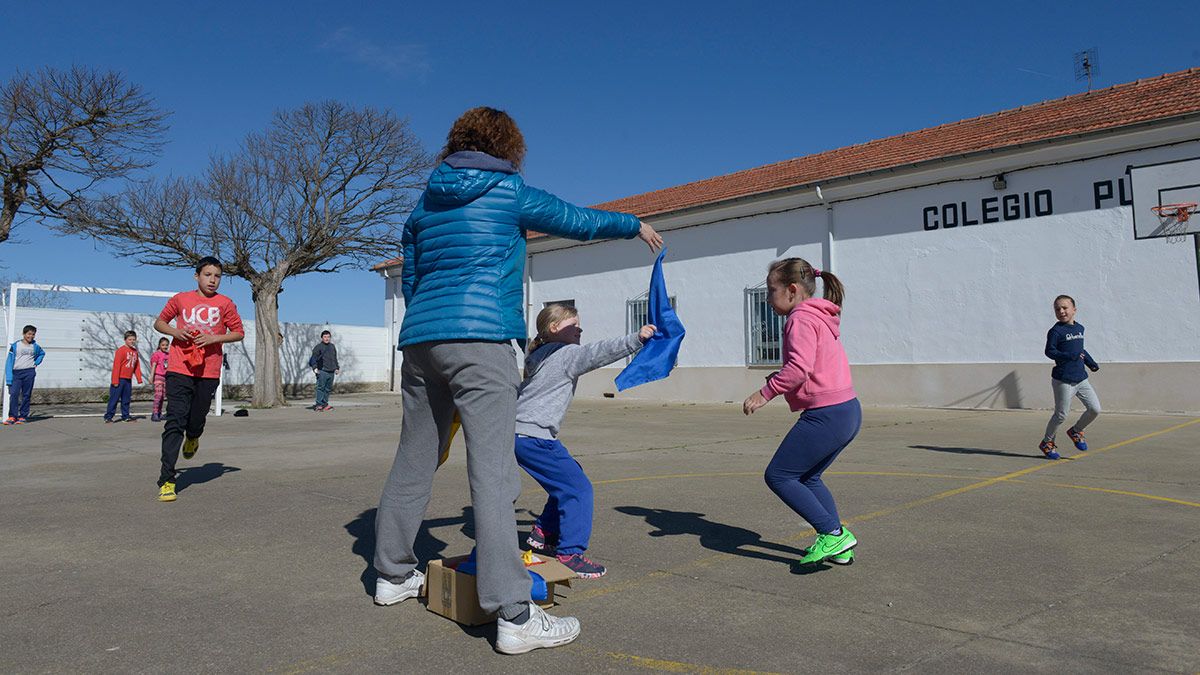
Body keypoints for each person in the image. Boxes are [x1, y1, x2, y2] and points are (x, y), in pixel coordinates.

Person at [372, 106, 662, 655]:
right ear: (508, 146)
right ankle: (513, 614)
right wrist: (633, 224)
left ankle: (391, 576)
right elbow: (577, 219)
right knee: (495, 473)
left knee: (413, 460)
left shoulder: (424, 203)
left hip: (422, 342)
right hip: (482, 342)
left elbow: (411, 275)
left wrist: (433, 322)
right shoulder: (508, 191)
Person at [517, 303, 655, 579]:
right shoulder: (566, 353)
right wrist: (636, 339)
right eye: (574, 326)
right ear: (554, 328)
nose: (580, 330)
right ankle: (570, 553)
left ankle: (544, 531)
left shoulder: (539, 354)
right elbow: (597, 353)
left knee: (568, 480)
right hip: (535, 436)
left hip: (520, 434)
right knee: (579, 490)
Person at [743, 258, 861, 568]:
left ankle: (832, 533)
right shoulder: (819, 315)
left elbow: (798, 368)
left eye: (772, 291)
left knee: (779, 475)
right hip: (847, 411)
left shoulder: (800, 319)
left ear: (792, 290)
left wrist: (765, 393)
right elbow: (810, 365)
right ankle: (839, 546)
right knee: (808, 478)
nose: (768, 298)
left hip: (827, 415)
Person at [152, 257, 244, 502]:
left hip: (208, 371)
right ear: (197, 276)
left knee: (195, 420)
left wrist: (214, 339)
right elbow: (159, 322)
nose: (212, 280)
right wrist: (175, 332)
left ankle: (193, 437)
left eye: (217, 276)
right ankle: (167, 479)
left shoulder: (225, 304)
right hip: (179, 367)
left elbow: (238, 333)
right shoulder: (181, 299)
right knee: (175, 421)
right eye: (208, 275)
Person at [1039, 294, 1101, 459]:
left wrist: (1091, 362)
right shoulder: (1056, 331)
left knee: (1095, 409)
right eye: (1057, 309)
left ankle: (1076, 431)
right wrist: (1068, 355)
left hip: (1081, 378)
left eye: (1065, 307)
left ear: (1074, 310)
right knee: (1061, 415)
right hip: (1063, 380)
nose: (1061, 311)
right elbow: (1049, 351)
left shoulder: (1079, 328)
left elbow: (1080, 351)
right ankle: (1047, 442)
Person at [5, 325, 45, 425]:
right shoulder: (15, 346)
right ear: (24, 334)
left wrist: (36, 363)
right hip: (16, 373)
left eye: (33, 334)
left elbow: (42, 353)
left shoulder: (35, 346)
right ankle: (12, 416)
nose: (31, 336)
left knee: (26, 395)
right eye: (29, 334)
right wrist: (9, 377)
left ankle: (22, 416)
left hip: (29, 372)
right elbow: (9, 362)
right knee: (14, 394)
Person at [104, 331, 142, 423]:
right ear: (125, 340)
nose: (132, 341)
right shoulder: (121, 351)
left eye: (133, 339)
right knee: (114, 399)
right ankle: (108, 416)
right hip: (119, 379)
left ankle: (125, 416)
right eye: (130, 339)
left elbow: (136, 365)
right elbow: (116, 366)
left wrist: (139, 378)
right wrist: (115, 380)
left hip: (128, 380)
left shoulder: (135, 352)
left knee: (126, 399)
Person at [309, 330, 339, 411]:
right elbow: (313, 358)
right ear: (322, 338)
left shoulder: (332, 346)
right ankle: (318, 404)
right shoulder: (318, 347)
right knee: (320, 388)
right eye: (325, 337)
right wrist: (315, 368)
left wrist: (337, 368)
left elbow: (334, 358)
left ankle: (325, 404)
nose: (327, 338)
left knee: (327, 389)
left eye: (328, 337)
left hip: (331, 371)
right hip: (322, 371)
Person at [150, 337, 170, 422]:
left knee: (162, 396)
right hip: (158, 376)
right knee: (158, 395)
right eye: (163, 345)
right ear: (159, 345)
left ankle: (159, 413)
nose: (165, 346)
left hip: (165, 377)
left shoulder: (169, 355)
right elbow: (154, 365)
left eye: (166, 345)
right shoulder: (156, 354)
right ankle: (154, 413)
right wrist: (151, 376)